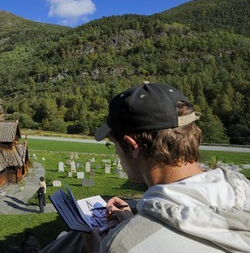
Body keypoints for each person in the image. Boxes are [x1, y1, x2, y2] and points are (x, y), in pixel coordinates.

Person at [40, 83, 250, 252]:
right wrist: (136, 221)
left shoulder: (123, 246)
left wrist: (98, 249)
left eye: (113, 145)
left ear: (133, 147)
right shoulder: (241, 189)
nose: (115, 153)